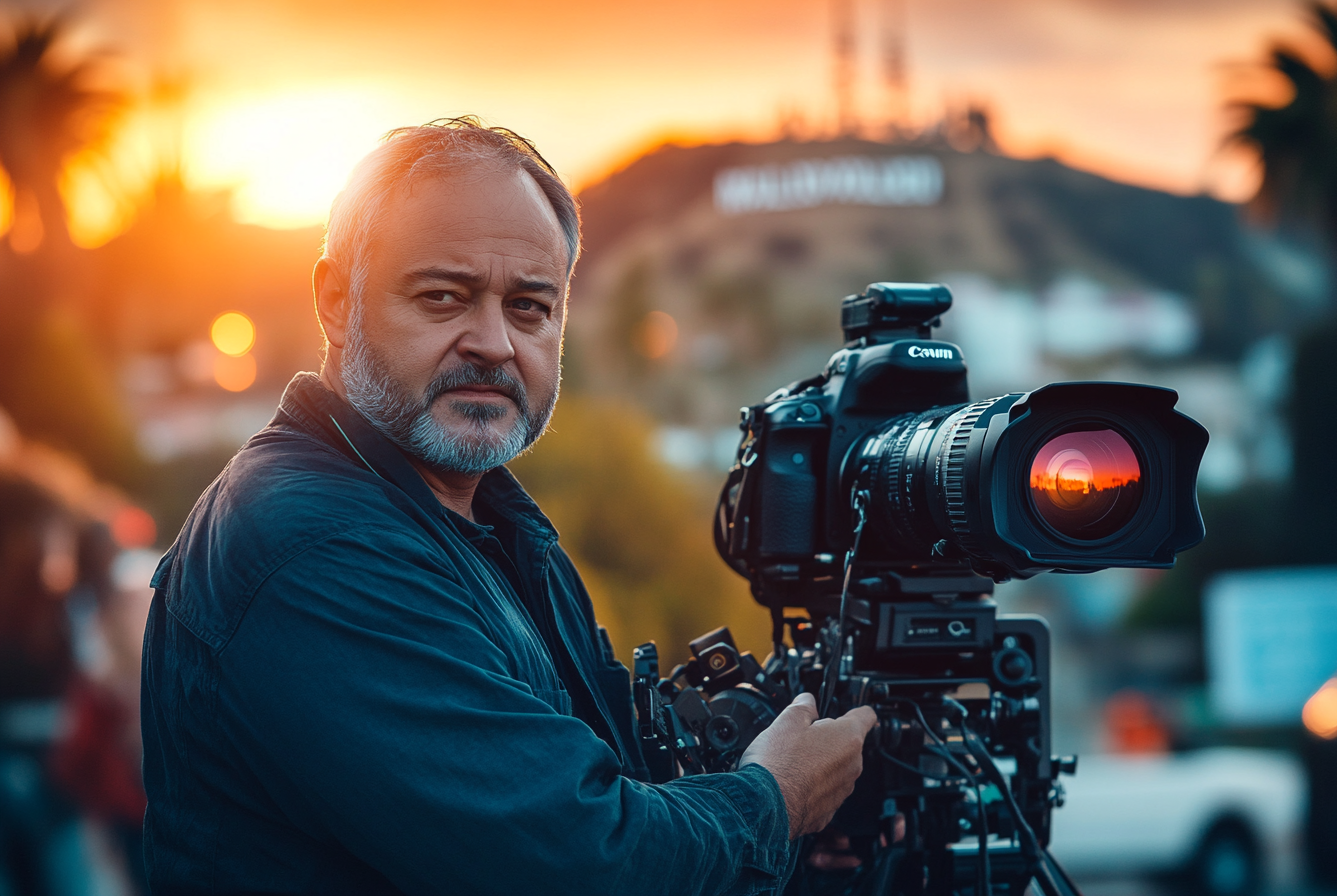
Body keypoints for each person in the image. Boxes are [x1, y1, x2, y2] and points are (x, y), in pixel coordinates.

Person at [140, 118, 876, 895]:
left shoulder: (490, 525)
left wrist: (795, 825)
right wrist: (773, 801)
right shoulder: (311, 545)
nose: (492, 342)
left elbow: (602, 787)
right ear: (335, 301)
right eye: (443, 297)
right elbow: (578, 861)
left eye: (529, 307)